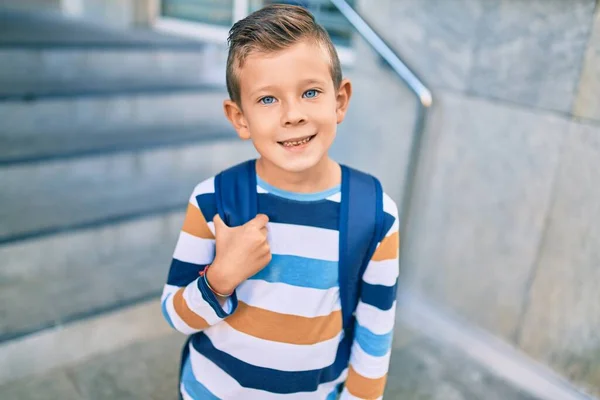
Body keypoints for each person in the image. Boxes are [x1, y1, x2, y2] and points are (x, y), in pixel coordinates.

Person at [160, 4, 399, 399]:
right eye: (268, 100)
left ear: (339, 101)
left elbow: (376, 330)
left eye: (310, 92)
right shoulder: (214, 201)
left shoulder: (374, 213)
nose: (292, 115)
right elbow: (176, 315)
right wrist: (221, 277)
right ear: (240, 118)